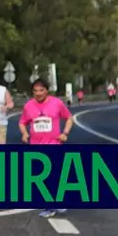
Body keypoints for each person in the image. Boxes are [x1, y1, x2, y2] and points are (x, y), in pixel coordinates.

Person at [19, 78, 73, 217]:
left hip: (54, 144)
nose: (38, 93)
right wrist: (24, 133)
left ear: (46, 91)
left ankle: (51, 206)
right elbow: (22, 122)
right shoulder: (28, 106)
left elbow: (69, 118)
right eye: (35, 91)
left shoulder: (57, 103)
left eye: (41, 90)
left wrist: (65, 133)